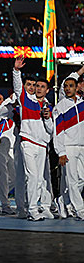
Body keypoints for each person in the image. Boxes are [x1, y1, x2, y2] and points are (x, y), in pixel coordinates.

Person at [13, 57, 54, 221]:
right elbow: (17, 86)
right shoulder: (25, 99)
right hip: (28, 143)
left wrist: (47, 118)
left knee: (38, 179)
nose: (38, 88)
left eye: (42, 87)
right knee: (32, 177)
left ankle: (35, 207)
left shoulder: (48, 107)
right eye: (37, 86)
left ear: (47, 90)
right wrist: (16, 71)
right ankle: (32, 209)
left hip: (42, 145)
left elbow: (51, 130)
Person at [53, 77, 84, 220]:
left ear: (76, 87)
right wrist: (61, 152)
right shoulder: (61, 106)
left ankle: (63, 199)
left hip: (82, 146)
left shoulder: (83, 103)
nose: (67, 89)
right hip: (69, 146)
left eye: (70, 86)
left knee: (82, 178)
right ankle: (80, 209)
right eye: (65, 86)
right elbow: (57, 131)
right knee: (71, 180)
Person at [0, 93, 17, 215]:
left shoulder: (8, 115)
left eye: (2, 98)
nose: (2, 101)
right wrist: (8, 99)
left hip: (10, 150)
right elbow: (0, 112)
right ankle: (5, 204)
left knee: (15, 178)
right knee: (3, 178)